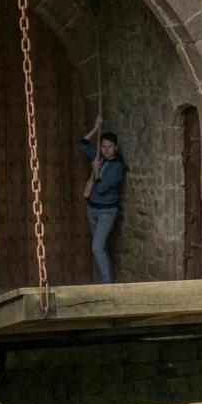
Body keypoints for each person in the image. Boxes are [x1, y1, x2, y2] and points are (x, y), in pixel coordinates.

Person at [77, 115, 126, 284]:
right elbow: (81, 145)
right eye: (103, 146)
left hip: (106, 211)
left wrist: (96, 171)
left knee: (96, 246)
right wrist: (95, 129)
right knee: (102, 246)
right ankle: (109, 279)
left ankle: (107, 284)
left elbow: (102, 188)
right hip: (92, 209)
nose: (106, 150)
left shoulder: (118, 166)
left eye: (110, 147)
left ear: (116, 147)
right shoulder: (99, 156)